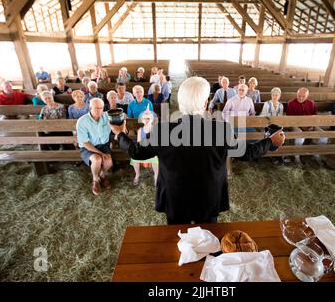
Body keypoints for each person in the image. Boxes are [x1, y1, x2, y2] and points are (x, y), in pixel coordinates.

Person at [111, 76, 285, 225]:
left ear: (180, 102)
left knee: (178, 239)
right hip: (208, 196)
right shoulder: (221, 129)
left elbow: (137, 152)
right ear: (205, 102)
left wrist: (120, 134)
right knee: (208, 241)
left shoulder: (162, 130)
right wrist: (270, 141)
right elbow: (246, 152)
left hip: (175, 196)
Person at [76, 98, 113, 196]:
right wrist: (101, 154)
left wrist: (123, 122)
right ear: (90, 108)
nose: (99, 111)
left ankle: (102, 174)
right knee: (97, 159)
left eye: (101, 108)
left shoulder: (107, 116)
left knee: (108, 161)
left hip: (104, 145)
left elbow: (121, 117)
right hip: (88, 147)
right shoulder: (82, 121)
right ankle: (95, 180)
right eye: (96, 108)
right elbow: (85, 143)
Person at [286, 87, 328, 163]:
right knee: (300, 137)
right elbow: (290, 119)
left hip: (310, 125)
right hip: (295, 125)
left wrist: (312, 125)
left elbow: (314, 116)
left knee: (324, 137)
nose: (301, 98)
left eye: (303, 96)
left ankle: (315, 154)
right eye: (299, 96)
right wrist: (301, 126)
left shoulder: (311, 103)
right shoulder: (291, 103)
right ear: (297, 94)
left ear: (307, 96)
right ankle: (297, 157)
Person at [130, 109, 159, 186]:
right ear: (142, 120)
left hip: (152, 150)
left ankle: (156, 175)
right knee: (134, 158)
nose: (146, 120)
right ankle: (137, 174)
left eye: (148, 118)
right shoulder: (140, 130)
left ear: (152, 120)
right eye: (145, 118)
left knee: (155, 158)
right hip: (142, 149)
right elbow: (139, 142)